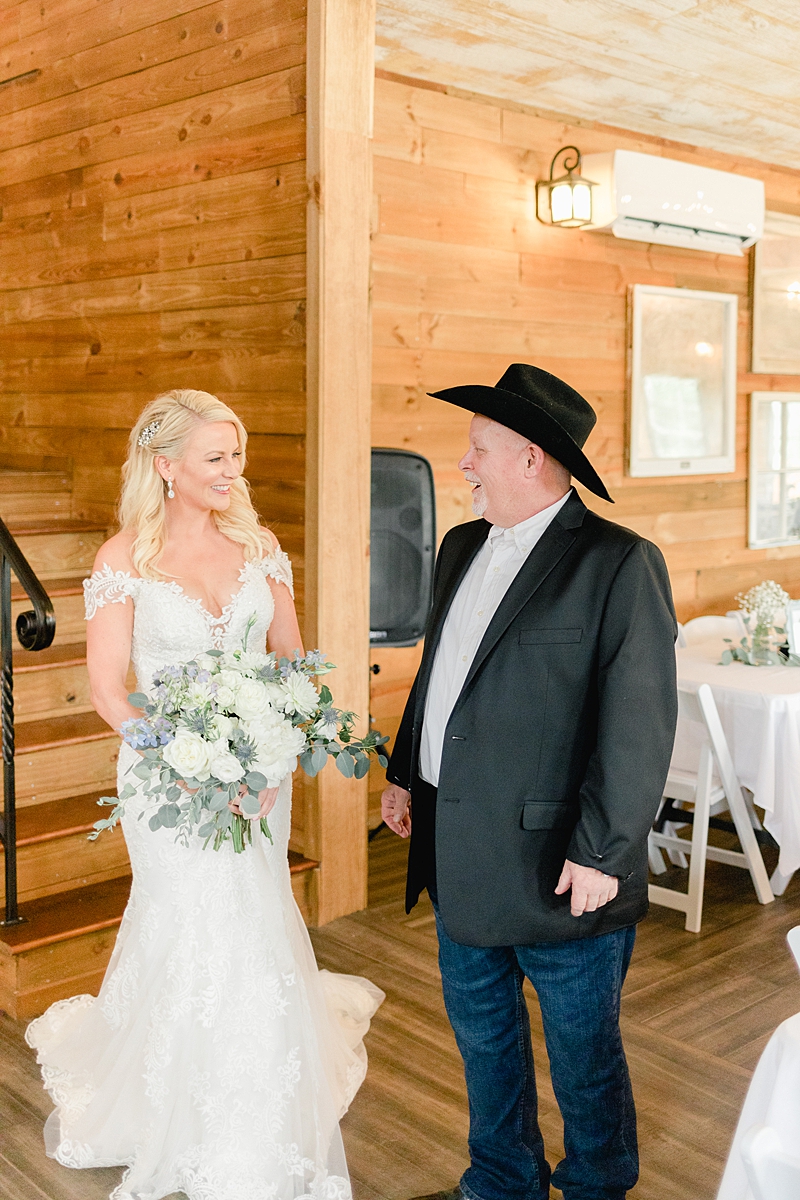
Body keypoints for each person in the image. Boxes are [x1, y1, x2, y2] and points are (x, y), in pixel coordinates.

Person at [26, 388, 383, 1200]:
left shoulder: (259, 545)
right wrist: (190, 767)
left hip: (261, 777)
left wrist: (283, 744)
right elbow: (112, 692)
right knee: (194, 924)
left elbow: (291, 659)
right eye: (216, 458)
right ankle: (182, 1106)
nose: (234, 471)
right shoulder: (124, 560)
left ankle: (257, 1091)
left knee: (255, 919)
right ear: (167, 467)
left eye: (238, 455)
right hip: (167, 782)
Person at [381, 364, 678, 1200]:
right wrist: (409, 773)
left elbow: (639, 726)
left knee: (584, 1059)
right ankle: (502, 1180)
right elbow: (441, 675)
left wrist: (603, 853)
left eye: (478, 449)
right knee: (484, 1041)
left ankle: (596, 1185)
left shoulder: (620, 563)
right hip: (458, 851)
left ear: (531, 460)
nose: (464, 464)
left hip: (563, 868)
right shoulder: (461, 545)